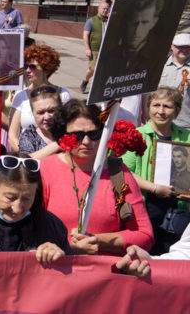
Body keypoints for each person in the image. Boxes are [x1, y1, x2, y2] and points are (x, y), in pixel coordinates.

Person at [42, 100, 154, 255]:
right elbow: (28, 228)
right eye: (77, 135)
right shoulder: (45, 170)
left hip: (105, 273)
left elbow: (144, 234)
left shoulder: (117, 172)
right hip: (58, 270)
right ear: (61, 135)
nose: (86, 142)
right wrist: (68, 248)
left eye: (94, 134)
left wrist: (99, 241)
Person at [122, 87, 190, 254]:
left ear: (177, 110)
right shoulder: (136, 135)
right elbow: (125, 172)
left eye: (167, 106)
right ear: (148, 107)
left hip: (179, 208)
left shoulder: (187, 137)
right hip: (146, 206)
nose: (161, 111)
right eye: (156, 105)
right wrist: (153, 188)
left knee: (173, 254)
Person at [8, 45, 71, 152]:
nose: (27, 70)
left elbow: (69, 130)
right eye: (26, 66)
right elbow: (13, 136)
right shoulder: (21, 96)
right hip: (26, 155)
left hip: (55, 154)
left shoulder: (62, 95)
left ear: (46, 70)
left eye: (32, 67)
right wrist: (28, 156)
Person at [18, 85, 62, 159]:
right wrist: (61, 143)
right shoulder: (29, 136)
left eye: (51, 111)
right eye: (41, 112)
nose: (47, 117)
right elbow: (26, 162)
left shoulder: (71, 130)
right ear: (33, 113)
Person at [159, 33, 190, 131]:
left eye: (188, 47)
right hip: (159, 121)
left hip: (185, 124)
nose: (184, 50)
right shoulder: (159, 65)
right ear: (172, 46)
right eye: (180, 47)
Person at [80, 0, 110, 93]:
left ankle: (98, 89)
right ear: (99, 9)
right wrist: (87, 49)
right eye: (103, 8)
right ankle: (85, 80)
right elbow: (85, 35)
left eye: (107, 9)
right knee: (93, 69)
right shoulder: (91, 21)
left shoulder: (108, 20)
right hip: (94, 50)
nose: (105, 10)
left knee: (103, 70)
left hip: (105, 50)